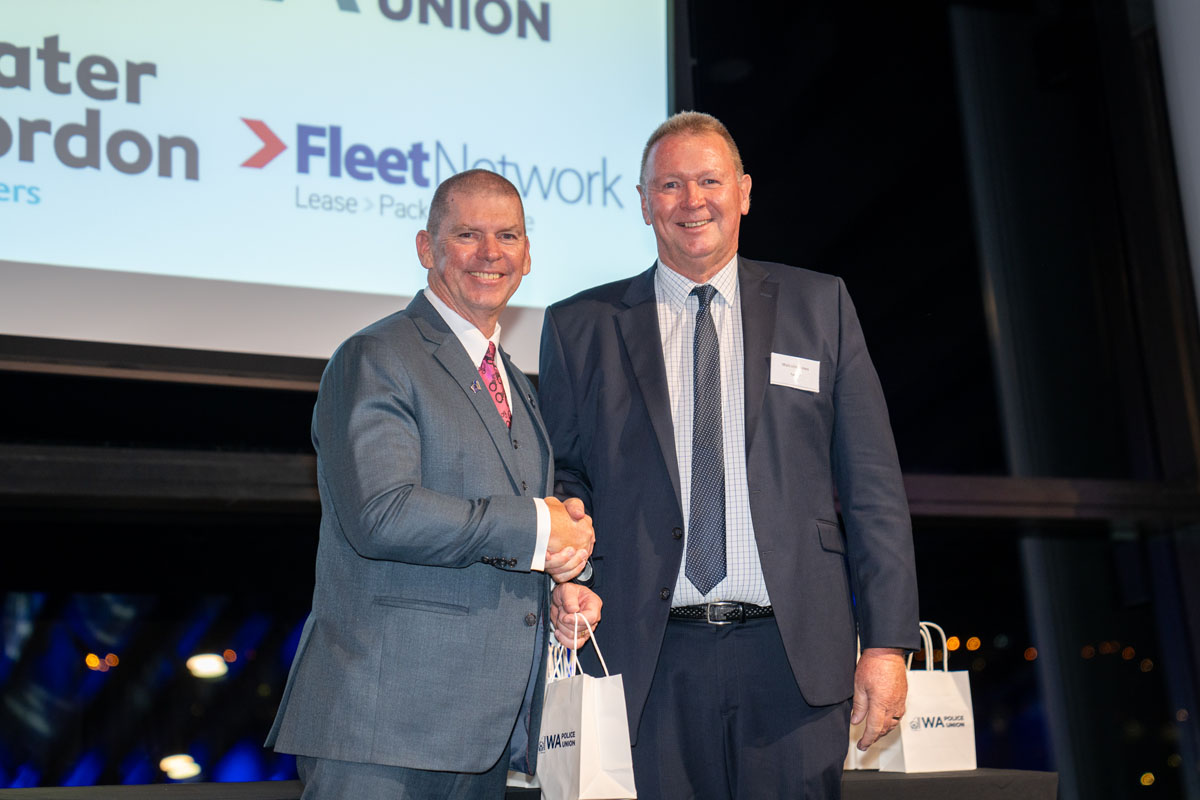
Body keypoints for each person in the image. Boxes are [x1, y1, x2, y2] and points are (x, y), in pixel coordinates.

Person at [537, 112, 919, 799]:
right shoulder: (579, 327)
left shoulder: (820, 305)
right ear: (644, 202)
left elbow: (873, 487)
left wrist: (888, 644)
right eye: (670, 185)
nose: (692, 201)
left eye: (710, 181)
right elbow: (566, 475)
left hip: (793, 661)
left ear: (743, 192)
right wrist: (568, 565)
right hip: (644, 660)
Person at [266, 169, 602, 800]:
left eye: (508, 236)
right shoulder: (376, 356)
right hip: (382, 732)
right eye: (467, 234)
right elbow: (383, 515)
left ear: (528, 255)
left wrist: (561, 582)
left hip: (484, 739)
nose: (490, 253)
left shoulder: (516, 384)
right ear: (426, 248)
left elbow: (509, 539)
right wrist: (539, 527)